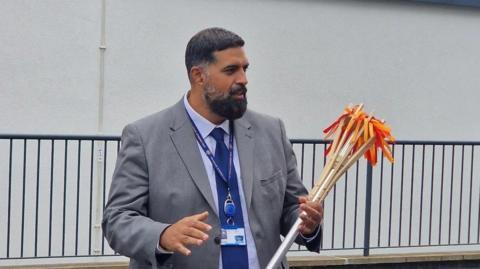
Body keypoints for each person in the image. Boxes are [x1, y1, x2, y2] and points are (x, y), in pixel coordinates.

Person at [102, 27, 323, 269]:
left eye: (245, 68)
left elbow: (292, 208)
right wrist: (163, 235)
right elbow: (118, 220)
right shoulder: (145, 137)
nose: (243, 79)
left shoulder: (271, 131)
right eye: (230, 70)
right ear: (198, 76)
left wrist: (308, 224)